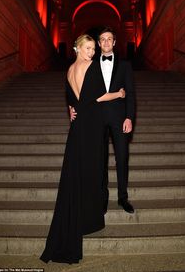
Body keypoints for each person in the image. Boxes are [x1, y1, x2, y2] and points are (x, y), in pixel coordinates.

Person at [40, 34, 125, 264]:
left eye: (92, 49)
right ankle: (89, 221)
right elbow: (99, 97)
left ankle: (77, 220)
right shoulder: (92, 67)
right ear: (78, 49)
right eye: (88, 48)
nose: (92, 52)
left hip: (78, 128)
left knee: (76, 174)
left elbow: (71, 98)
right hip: (93, 126)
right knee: (93, 171)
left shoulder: (68, 71)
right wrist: (119, 94)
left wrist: (71, 109)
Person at [70, 27, 135, 214]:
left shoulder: (125, 66)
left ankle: (123, 198)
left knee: (122, 157)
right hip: (95, 118)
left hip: (119, 118)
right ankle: (102, 199)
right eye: (103, 39)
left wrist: (129, 117)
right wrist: (71, 106)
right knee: (100, 161)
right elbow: (79, 90)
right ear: (98, 44)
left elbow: (130, 93)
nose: (106, 42)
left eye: (109, 39)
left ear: (114, 42)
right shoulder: (90, 65)